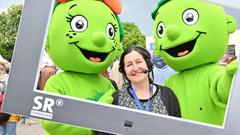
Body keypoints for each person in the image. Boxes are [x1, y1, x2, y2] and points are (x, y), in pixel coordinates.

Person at [114, 45, 181, 117]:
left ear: (147, 64)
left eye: (138, 62)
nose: (135, 68)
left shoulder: (167, 94)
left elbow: (176, 126)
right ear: (124, 71)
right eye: (129, 64)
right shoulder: (117, 97)